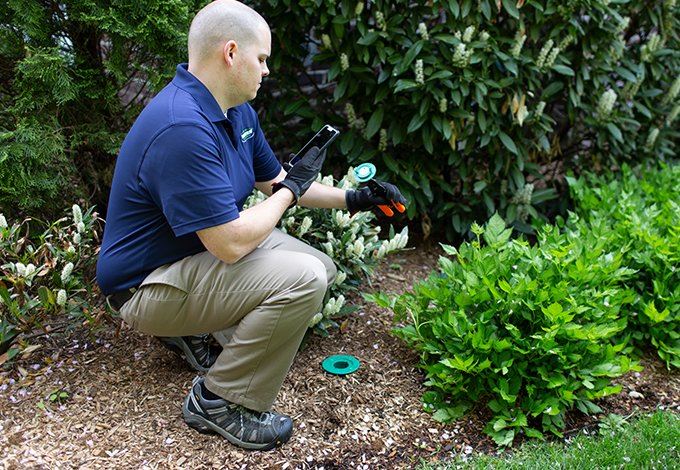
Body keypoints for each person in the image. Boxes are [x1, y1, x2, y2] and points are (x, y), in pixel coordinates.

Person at [96, 0, 406, 451]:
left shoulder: (234, 110)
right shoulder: (182, 127)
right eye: (261, 59)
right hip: (145, 285)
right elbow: (232, 244)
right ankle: (219, 402)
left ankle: (197, 332)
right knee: (303, 279)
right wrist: (290, 190)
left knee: (320, 265)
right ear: (231, 52)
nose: (266, 70)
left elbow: (277, 181)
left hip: (189, 257)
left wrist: (356, 198)